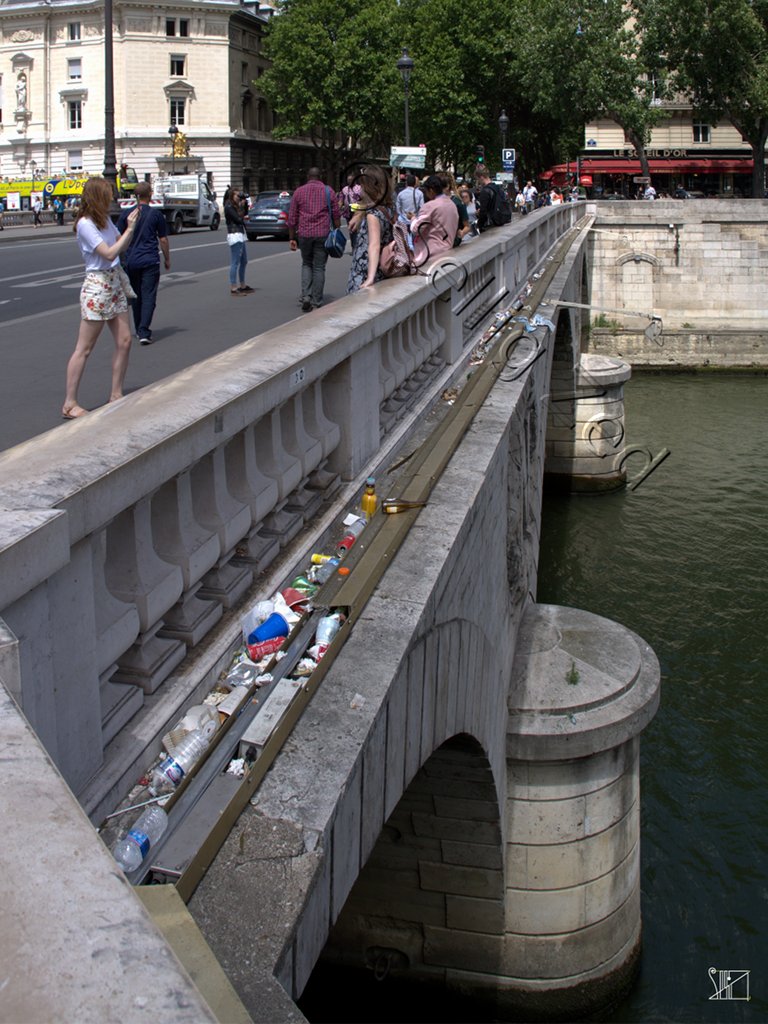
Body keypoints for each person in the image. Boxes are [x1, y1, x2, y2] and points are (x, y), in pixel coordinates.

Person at [62, 178, 139, 419]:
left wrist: (129, 229)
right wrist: (129, 228)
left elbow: (120, 247)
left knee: (125, 340)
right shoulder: (85, 224)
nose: (111, 200)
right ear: (97, 197)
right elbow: (108, 253)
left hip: (114, 282)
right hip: (97, 285)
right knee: (84, 348)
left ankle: (116, 393)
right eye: (107, 195)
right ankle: (69, 403)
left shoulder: (104, 220)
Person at [117, 181, 170, 344]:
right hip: (149, 260)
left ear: (135, 196)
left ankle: (140, 329)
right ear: (150, 194)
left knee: (135, 296)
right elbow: (163, 239)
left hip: (131, 261)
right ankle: (144, 330)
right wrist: (167, 258)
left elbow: (118, 237)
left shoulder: (126, 214)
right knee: (148, 296)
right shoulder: (155, 215)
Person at [288, 167, 340, 311]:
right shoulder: (328, 191)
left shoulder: (299, 191)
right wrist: (337, 230)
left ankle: (306, 296)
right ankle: (316, 300)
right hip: (322, 234)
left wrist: (292, 237)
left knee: (306, 264)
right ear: (320, 176)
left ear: (308, 176)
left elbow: (292, 217)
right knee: (319, 267)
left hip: (304, 234)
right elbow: (336, 214)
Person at [346, 165, 394, 293]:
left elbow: (374, 245)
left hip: (364, 271)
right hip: (381, 270)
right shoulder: (387, 209)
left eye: (361, 185)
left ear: (368, 187)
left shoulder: (373, 215)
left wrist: (370, 277)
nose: (359, 189)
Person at [409, 174, 458, 265]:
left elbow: (416, 229)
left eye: (426, 191)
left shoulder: (430, 206)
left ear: (431, 190)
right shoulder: (452, 204)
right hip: (447, 250)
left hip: (431, 255)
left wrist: (413, 219)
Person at [224, 189, 253, 296]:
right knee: (235, 262)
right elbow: (238, 219)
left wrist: (244, 204)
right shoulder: (228, 207)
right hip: (234, 235)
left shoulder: (236, 206)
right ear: (231, 196)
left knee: (244, 261)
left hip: (241, 235)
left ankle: (242, 285)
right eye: (237, 195)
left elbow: (244, 213)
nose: (238, 197)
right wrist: (241, 207)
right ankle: (233, 287)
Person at [438, 172, 470, 247]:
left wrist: (461, 233)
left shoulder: (457, 203)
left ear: (447, 186)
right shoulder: (433, 201)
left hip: (452, 243)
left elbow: (467, 226)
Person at [337, 172, 363, 251]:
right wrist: (338, 209)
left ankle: (358, 245)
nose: (349, 181)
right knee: (351, 229)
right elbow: (341, 200)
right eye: (348, 180)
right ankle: (353, 246)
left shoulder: (359, 188)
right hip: (348, 211)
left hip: (357, 211)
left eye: (351, 180)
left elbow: (363, 199)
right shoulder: (345, 189)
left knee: (357, 228)